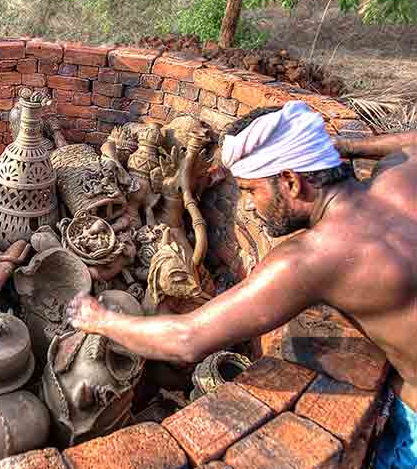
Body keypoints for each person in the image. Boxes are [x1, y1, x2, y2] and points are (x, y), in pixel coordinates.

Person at [66, 100, 417, 468]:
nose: (249, 206)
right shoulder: (399, 174)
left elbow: (187, 340)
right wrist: (347, 147)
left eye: (251, 190)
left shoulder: (315, 257)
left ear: (292, 182)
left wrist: (98, 319)